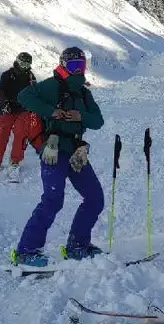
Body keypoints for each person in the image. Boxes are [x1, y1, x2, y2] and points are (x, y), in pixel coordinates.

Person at [12, 47, 106, 266]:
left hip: (76, 152)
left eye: (81, 66)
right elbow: (24, 96)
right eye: (74, 66)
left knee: (95, 198)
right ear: (63, 65)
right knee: (53, 200)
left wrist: (80, 115)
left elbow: (98, 121)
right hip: (53, 150)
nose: (78, 70)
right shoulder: (51, 86)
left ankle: (77, 247)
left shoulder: (84, 92)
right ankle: (26, 251)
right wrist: (51, 111)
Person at [0, 52, 37, 179]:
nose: (24, 67)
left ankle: (15, 161)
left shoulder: (31, 77)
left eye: (27, 64)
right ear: (17, 61)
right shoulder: (7, 75)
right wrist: (4, 103)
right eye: (22, 63)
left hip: (23, 109)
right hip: (7, 108)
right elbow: (0, 91)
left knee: (21, 133)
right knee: (1, 133)